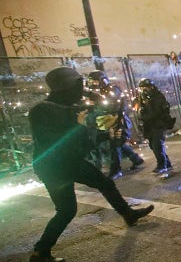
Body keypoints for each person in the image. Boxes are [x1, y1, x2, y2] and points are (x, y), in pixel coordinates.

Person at [28, 67, 154, 262]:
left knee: (105, 183)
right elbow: (53, 143)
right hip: (53, 167)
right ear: (64, 87)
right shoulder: (42, 110)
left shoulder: (70, 108)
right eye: (77, 86)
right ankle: (41, 252)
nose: (81, 91)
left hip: (70, 162)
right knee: (67, 210)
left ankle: (128, 214)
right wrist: (80, 126)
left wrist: (105, 134)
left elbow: (83, 142)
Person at [86, 70, 144, 179]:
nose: (94, 84)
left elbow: (111, 107)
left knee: (115, 145)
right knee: (119, 144)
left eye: (95, 81)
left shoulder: (113, 90)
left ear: (102, 80)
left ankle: (116, 170)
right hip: (108, 123)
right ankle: (136, 159)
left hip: (119, 122)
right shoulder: (101, 92)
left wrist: (96, 99)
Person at [134, 78, 174, 173]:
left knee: (157, 146)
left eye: (145, 87)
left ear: (151, 87)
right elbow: (137, 108)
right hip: (149, 126)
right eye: (142, 88)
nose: (143, 90)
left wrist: (145, 116)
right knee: (153, 145)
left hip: (158, 124)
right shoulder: (141, 98)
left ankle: (162, 165)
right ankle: (167, 163)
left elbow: (157, 112)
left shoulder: (157, 97)